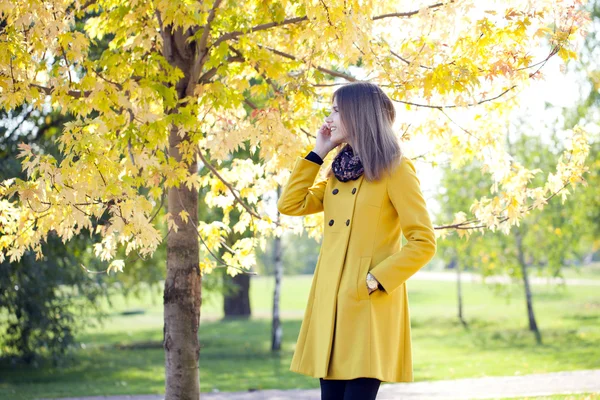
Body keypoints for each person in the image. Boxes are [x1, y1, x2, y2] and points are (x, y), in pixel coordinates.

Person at [277, 82, 437, 400]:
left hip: (367, 307)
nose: (329, 117)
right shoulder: (338, 172)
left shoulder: (396, 169)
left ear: (357, 114)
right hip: (331, 307)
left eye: (336, 110)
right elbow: (290, 205)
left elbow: (423, 241)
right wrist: (318, 152)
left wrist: (376, 279)